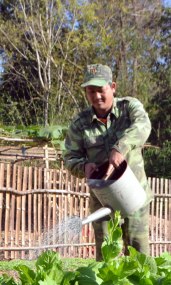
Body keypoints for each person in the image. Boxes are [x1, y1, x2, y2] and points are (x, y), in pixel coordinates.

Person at [63, 64, 152, 261]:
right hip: (103, 201)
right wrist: (83, 166)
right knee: (105, 258)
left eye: (101, 90)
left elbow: (143, 126)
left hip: (134, 196)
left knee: (139, 257)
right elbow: (70, 157)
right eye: (90, 91)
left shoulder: (129, 108)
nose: (97, 96)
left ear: (112, 87)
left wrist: (120, 147)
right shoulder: (80, 124)